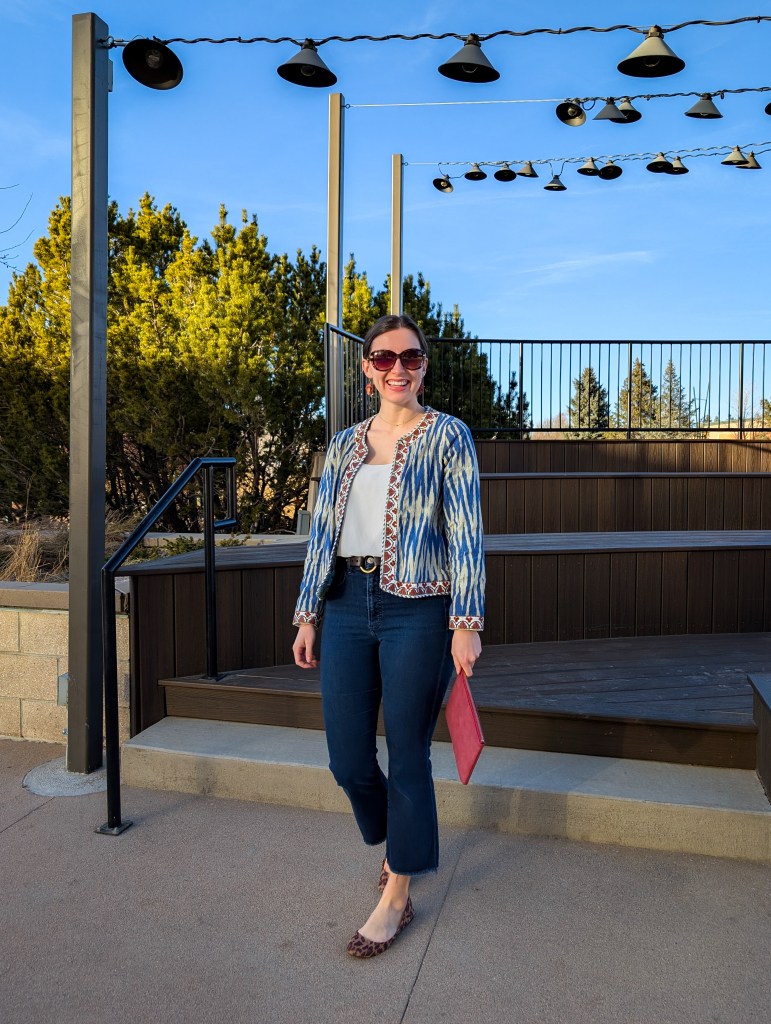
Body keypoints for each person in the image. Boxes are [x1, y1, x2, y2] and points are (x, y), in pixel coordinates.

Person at [292, 313, 485, 958]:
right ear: (367, 368)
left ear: (425, 367)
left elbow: (466, 535)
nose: (397, 369)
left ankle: (397, 892)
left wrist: (466, 623)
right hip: (346, 603)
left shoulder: (449, 437)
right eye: (383, 359)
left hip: (419, 613)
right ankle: (398, 843)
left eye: (411, 358)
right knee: (347, 758)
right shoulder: (345, 445)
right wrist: (306, 613)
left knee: (407, 755)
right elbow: (322, 535)